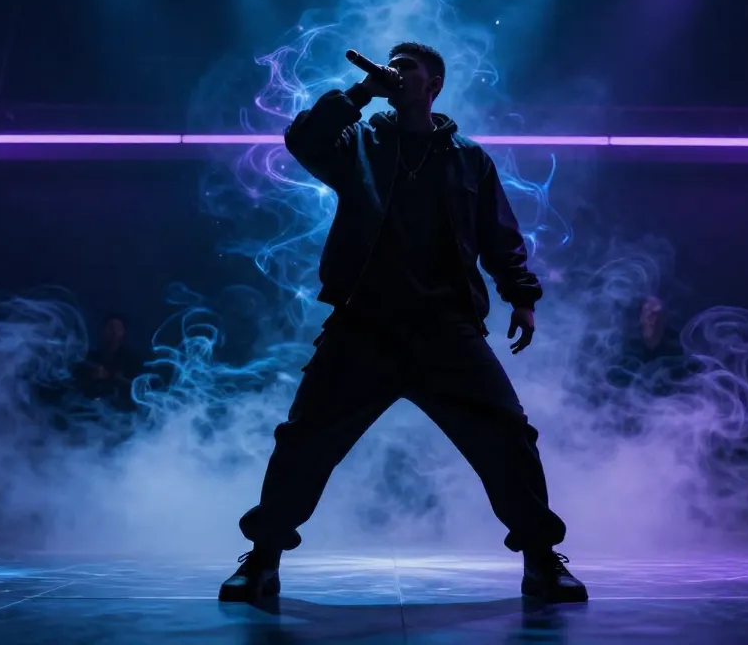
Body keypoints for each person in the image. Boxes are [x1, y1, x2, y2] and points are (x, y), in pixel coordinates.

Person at [220, 42, 585, 604]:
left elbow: (498, 234)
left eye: (407, 66)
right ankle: (263, 559)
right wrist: (360, 94)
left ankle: (541, 560)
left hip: (446, 327)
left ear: (433, 84)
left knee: (508, 437)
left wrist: (521, 296)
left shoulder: (469, 158)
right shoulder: (359, 142)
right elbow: (303, 140)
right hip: (365, 322)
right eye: (390, 63)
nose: (394, 70)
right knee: (305, 440)